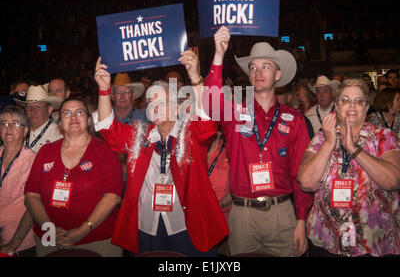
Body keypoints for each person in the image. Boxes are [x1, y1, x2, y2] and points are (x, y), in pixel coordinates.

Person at [92, 52, 229, 257]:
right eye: (151, 103)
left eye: (162, 103)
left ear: (176, 108)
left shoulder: (190, 135)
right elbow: (107, 128)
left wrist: (195, 78)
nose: (155, 108)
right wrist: (104, 89)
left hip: (188, 227)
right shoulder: (140, 136)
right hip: (148, 227)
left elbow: (208, 118)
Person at [203, 26, 313, 257]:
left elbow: (300, 173)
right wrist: (219, 54)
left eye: (266, 66)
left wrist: (302, 220)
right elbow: (210, 102)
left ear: (278, 75)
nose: (258, 72)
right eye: (253, 67)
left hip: (281, 213)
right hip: (242, 215)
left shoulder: (294, 120)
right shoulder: (234, 114)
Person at [297, 79, 400, 257]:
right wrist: (329, 144)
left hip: (374, 242)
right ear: (336, 106)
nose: (351, 105)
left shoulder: (383, 136)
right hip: (327, 241)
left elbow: (393, 181)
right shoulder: (322, 138)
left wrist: (354, 149)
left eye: (358, 101)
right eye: (345, 100)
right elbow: (306, 183)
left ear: (366, 107)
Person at [24, 97, 123, 257]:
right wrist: (50, 228)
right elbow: (31, 195)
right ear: (60, 122)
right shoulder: (46, 151)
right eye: (67, 113)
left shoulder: (104, 151)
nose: (74, 117)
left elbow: (113, 196)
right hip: (49, 241)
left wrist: (81, 231)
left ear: (89, 120)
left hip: (97, 240)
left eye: (80, 112)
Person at [0, 106, 36, 257]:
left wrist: (13, 243)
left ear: (26, 130)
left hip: (19, 242)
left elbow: (33, 208)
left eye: (15, 123)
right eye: (4, 123)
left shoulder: (33, 160)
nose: (8, 127)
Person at [15, 85, 63, 153]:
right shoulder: (17, 131)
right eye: (29, 107)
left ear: (49, 110)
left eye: (38, 107)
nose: (32, 111)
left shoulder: (59, 134)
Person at [207, 128, 231, 256]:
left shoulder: (229, 152)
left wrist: (218, 205)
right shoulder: (194, 150)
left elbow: (236, 189)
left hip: (223, 219)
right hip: (198, 218)